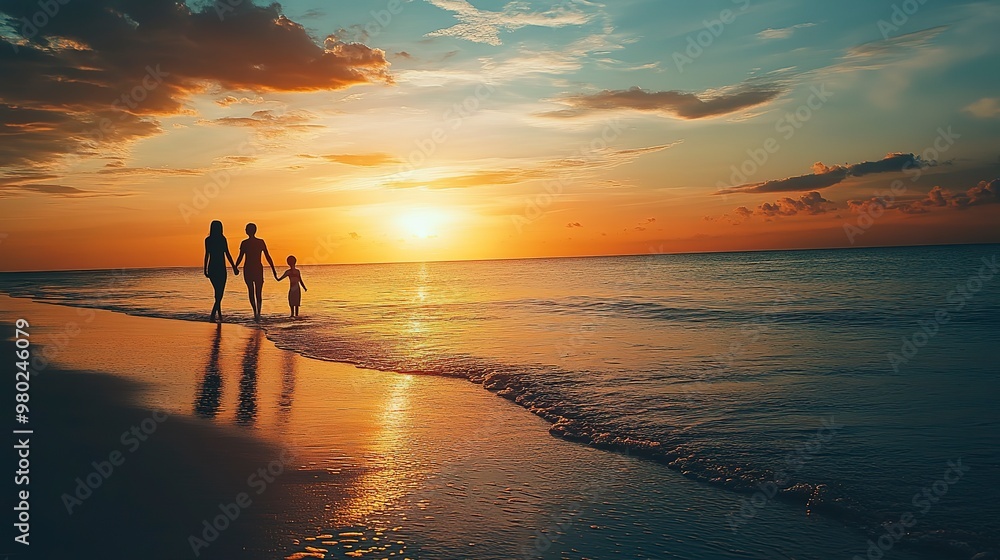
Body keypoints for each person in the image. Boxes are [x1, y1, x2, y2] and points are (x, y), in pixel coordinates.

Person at [234, 222, 277, 321]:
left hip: (249, 269)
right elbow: (268, 256)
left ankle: (255, 312)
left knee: (251, 291)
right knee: (258, 292)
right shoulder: (260, 242)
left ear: (248, 231)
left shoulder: (245, 243)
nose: (245, 230)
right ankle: (258, 312)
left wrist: (235, 266)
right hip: (256, 268)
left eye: (246, 229)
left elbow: (240, 257)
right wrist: (273, 269)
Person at [203, 220, 238, 323]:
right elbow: (227, 254)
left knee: (217, 293)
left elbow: (207, 255)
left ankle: (219, 315)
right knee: (219, 293)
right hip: (220, 268)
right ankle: (213, 314)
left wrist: (205, 268)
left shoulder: (208, 240)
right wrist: (234, 267)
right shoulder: (222, 239)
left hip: (213, 267)